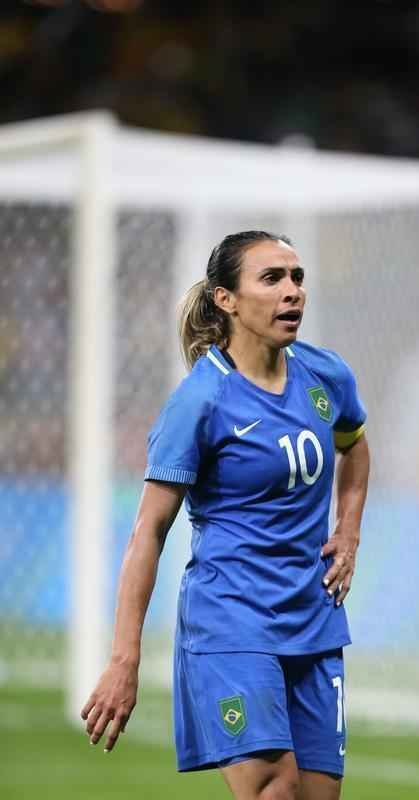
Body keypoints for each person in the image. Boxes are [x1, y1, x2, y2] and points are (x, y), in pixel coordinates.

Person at [81, 230, 370, 800]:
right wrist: (124, 659)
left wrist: (350, 530)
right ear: (226, 299)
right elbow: (149, 532)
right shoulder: (201, 401)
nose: (292, 291)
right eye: (272, 279)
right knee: (275, 791)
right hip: (232, 622)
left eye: (297, 277)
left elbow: (354, 446)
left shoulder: (326, 376)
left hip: (313, 617)